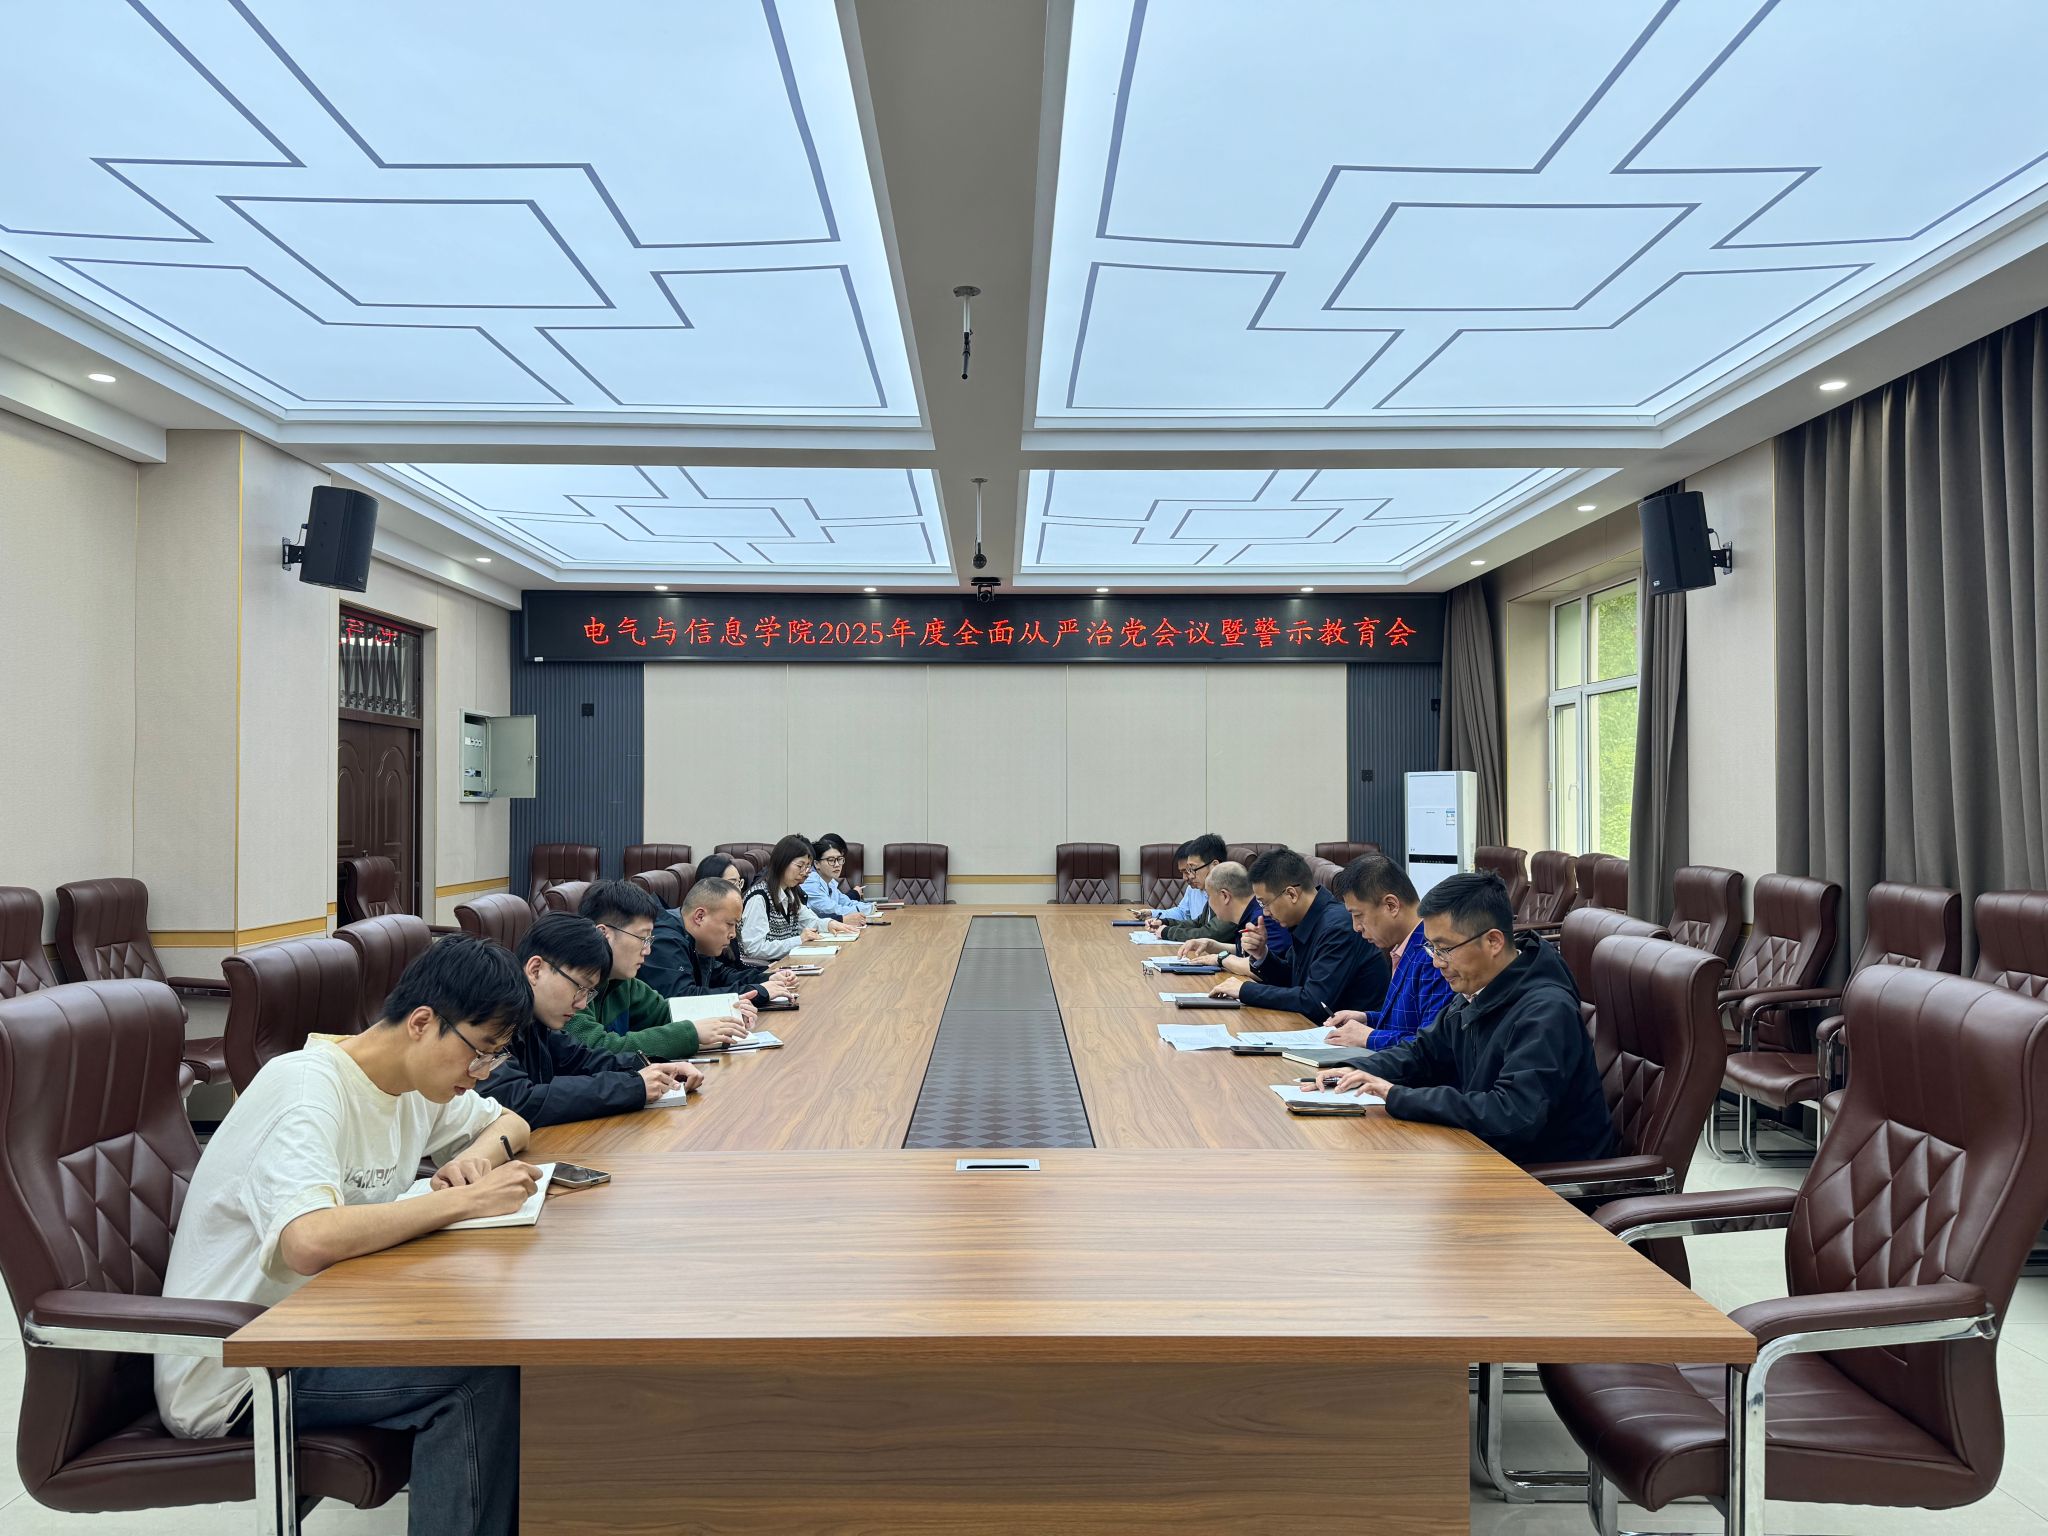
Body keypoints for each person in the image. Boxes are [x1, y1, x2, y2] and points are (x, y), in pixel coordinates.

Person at [156, 937, 540, 1536]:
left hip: (318, 1327)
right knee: (478, 1375)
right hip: (240, 1370)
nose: (480, 1074)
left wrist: (475, 1162)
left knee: (504, 1323)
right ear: (422, 1023)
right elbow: (307, 1241)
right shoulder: (305, 1091)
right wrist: (461, 1201)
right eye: (479, 1054)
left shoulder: (415, 1086)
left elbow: (511, 1122)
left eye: (492, 1059)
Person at [1313, 871, 1618, 1166]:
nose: (1436, 962)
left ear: (1493, 942)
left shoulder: (1546, 1011)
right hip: (1486, 1155)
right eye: (1431, 947)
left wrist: (1396, 1095)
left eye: (1445, 949)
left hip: (1548, 1178)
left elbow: (1511, 1115)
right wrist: (1354, 1071)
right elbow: (1423, 1053)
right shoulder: (1477, 989)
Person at [481, 912, 702, 1127]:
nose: (581, 1004)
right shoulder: (489, 1016)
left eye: (588, 993)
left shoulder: (535, 1020)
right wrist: (633, 1087)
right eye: (579, 987)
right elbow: (518, 1100)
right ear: (535, 969)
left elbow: (581, 1060)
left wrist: (655, 1067)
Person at [567, 880, 751, 1060]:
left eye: (650, 940)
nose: (647, 950)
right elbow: (598, 1048)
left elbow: (664, 1012)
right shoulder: (570, 986)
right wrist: (690, 1033)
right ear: (603, 934)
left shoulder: (622, 982)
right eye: (642, 938)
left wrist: (728, 1011)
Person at [1206, 848, 1388, 1022]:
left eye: (1265, 903)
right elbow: (1291, 978)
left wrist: (1245, 990)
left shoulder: (1338, 927)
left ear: (1291, 894)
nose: (1266, 912)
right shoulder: (1309, 918)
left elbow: (1314, 1002)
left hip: (1354, 1035)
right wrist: (1262, 955)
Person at [1321, 855, 1456, 1053]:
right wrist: (1367, 1019)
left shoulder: (1432, 956)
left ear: (1391, 905)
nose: (1356, 927)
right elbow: (1407, 1023)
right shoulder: (1406, 946)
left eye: (1358, 915)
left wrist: (1368, 1037)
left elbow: (1432, 1046)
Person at [643, 877, 799, 1007]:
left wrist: (765, 979)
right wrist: (758, 992)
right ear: (700, 917)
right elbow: (683, 1000)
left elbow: (721, 975)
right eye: (729, 924)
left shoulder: (695, 940)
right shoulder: (664, 941)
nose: (733, 934)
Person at [740, 835, 853, 963]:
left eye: (807, 867)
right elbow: (754, 948)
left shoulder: (789, 893)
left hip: (787, 963)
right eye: (800, 866)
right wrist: (799, 940)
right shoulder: (759, 898)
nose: (804, 872)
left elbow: (808, 920)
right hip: (763, 969)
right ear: (782, 862)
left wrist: (829, 924)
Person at [1174, 863, 1292, 970]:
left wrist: (1220, 959)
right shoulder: (1249, 913)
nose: (1208, 903)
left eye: (1209, 896)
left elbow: (1266, 968)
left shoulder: (1264, 917)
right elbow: (1248, 952)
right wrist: (1211, 945)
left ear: (1225, 896)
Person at [1143, 834, 1226, 936]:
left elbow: (1210, 932)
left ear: (1215, 866)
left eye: (1192, 869)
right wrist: (1164, 922)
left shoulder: (1226, 893)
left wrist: (1167, 932)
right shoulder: (1208, 890)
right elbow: (1197, 923)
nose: (1189, 876)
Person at [802, 833, 877, 923]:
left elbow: (846, 902)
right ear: (817, 864)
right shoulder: (809, 881)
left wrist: (870, 906)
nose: (837, 864)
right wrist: (867, 909)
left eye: (839, 859)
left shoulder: (830, 881)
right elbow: (833, 910)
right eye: (831, 860)